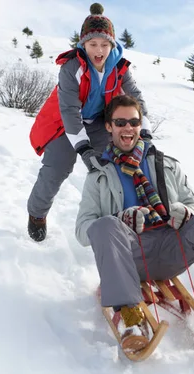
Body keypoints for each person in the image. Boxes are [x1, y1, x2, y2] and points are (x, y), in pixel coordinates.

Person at [76, 95, 194, 353]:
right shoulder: (99, 176)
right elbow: (83, 230)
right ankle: (133, 320)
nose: (128, 128)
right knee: (104, 226)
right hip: (130, 258)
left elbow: (193, 203)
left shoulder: (166, 164)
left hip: (172, 247)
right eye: (120, 122)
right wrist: (118, 220)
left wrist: (186, 211)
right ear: (109, 126)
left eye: (133, 122)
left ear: (140, 125)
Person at [27, 3, 152, 242]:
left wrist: (143, 131)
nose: (99, 50)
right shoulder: (71, 67)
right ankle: (37, 213)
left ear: (112, 45)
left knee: (112, 167)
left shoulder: (119, 67)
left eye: (105, 44)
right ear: (83, 45)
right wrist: (83, 148)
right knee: (58, 167)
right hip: (64, 123)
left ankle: (119, 219)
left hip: (97, 122)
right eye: (93, 44)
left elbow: (135, 97)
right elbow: (69, 110)